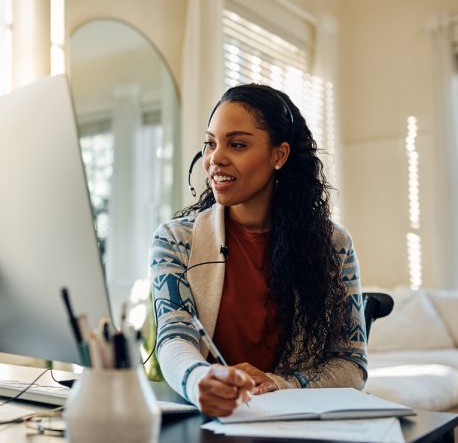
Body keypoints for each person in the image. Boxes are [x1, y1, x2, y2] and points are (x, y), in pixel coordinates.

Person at [150, 83, 367, 417]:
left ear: (278, 155)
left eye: (236, 144)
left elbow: (351, 364)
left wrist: (280, 382)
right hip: (210, 419)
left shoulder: (334, 245)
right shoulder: (176, 240)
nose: (215, 159)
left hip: (296, 425)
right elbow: (174, 337)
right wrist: (199, 380)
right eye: (210, 144)